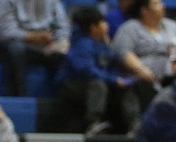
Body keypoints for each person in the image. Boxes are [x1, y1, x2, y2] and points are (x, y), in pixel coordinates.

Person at [56, 6, 141, 135]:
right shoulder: (81, 43)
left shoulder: (102, 43)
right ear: (94, 27)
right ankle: (93, 123)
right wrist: (113, 80)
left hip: (96, 81)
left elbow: (109, 66)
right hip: (72, 84)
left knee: (125, 87)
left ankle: (134, 125)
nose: (106, 25)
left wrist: (120, 79)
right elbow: (86, 70)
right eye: (103, 22)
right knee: (98, 84)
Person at [111, 0, 176, 108]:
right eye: (157, 4)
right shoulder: (130, 28)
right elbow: (124, 52)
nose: (162, 6)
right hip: (146, 75)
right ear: (144, 10)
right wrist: (142, 69)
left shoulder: (170, 25)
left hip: (174, 71)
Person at [0, 0, 72, 97]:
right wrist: (33, 37)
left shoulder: (53, 2)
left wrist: (60, 42)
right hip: (12, 44)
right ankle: (18, 98)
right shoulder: (4, 2)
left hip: (45, 44)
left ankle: (61, 99)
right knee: (16, 48)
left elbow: (63, 28)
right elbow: (5, 32)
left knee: (67, 51)